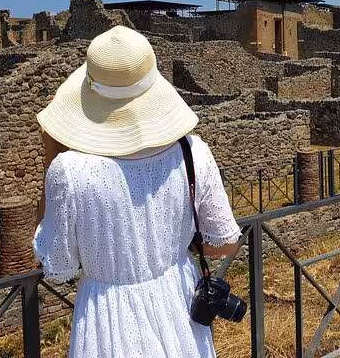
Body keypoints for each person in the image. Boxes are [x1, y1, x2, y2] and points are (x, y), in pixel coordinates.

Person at [33, 25, 241, 357]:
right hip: (180, 308)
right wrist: (170, 242)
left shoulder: (68, 171)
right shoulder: (193, 152)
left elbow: (59, 266)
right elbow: (226, 243)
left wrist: (52, 154)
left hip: (108, 320)